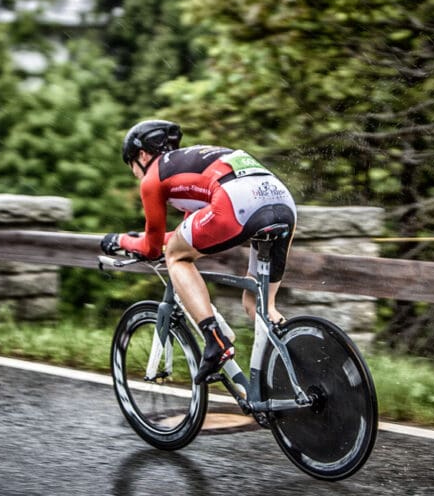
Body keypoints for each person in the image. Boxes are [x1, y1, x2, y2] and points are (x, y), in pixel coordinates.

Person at [101, 119, 297, 384]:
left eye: (131, 166)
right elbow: (187, 230)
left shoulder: (152, 177)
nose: (134, 173)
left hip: (237, 202)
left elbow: (152, 248)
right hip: (282, 201)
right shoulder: (193, 160)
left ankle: (216, 340)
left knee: (176, 256)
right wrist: (148, 239)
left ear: (142, 156)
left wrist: (121, 240)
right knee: (259, 305)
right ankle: (298, 370)